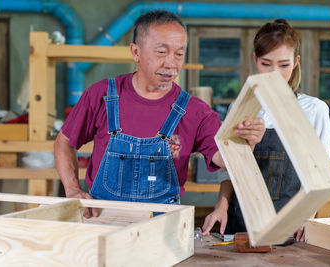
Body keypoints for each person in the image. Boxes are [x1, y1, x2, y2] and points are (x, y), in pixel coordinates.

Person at [54, 10, 265, 218]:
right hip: (102, 221)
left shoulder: (196, 112)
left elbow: (225, 160)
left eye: (179, 54)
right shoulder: (101, 95)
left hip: (161, 229)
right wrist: (72, 189)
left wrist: (247, 143)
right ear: (136, 52)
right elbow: (64, 141)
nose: (171, 63)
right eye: (162, 52)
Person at [202, 19, 330, 243]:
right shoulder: (241, 107)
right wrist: (220, 207)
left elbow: (321, 177)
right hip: (240, 224)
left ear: (296, 62)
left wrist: (306, 218)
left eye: (283, 65)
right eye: (266, 63)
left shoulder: (314, 110)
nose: (274, 73)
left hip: (289, 226)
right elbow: (230, 169)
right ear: (255, 60)